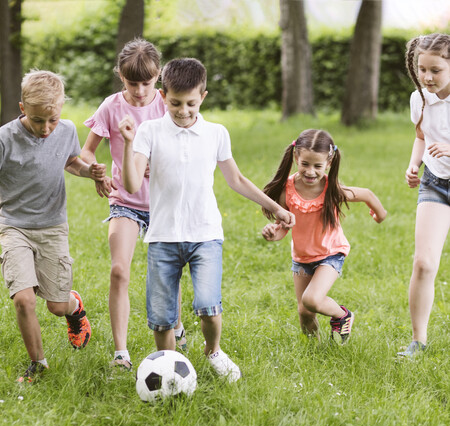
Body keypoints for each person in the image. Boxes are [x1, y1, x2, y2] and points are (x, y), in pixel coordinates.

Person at [118, 57, 295, 382]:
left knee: (208, 306)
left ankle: (213, 351)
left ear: (203, 96)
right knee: (161, 318)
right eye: (175, 103)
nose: (183, 111)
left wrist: (276, 207)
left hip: (205, 235)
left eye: (191, 103)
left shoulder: (216, 133)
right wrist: (129, 144)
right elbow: (131, 184)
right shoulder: (149, 130)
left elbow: (237, 179)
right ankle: (169, 368)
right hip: (162, 237)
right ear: (162, 95)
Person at [81, 38, 185, 371]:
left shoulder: (169, 105)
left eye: (148, 82)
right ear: (121, 77)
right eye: (132, 83)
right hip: (125, 201)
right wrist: (94, 170)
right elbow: (86, 152)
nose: (140, 90)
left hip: (163, 202)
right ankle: (121, 353)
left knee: (167, 274)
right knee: (118, 271)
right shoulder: (110, 107)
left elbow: (187, 146)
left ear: (158, 78)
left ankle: (177, 324)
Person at [0, 70, 106, 383]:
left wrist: (92, 173)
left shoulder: (67, 131)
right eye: (37, 121)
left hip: (52, 227)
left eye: (53, 120)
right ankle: (38, 365)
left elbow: (71, 161)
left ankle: (75, 309)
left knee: (56, 307)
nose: (46, 129)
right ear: (22, 108)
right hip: (13, 226)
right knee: (24, 298)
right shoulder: (5, 139)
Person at [261, 129, 387, 342]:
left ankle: (343, 315)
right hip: (301, 257)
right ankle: (313, 351)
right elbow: (284, 226)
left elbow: (366, 194)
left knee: (311, 299)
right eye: (305, 164)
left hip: (330, 253)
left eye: (317, 166)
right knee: (305, 311)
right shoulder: (287, 191)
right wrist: (274, 233)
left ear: (328, 163)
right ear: (295, 158)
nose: (310, 171)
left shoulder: (331, 189)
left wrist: (379, 215)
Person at [398, 33, 450, 357]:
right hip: (435, 181)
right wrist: (413, 163)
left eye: (435, 70)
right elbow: (421, 134)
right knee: (423, 263)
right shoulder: (419, 98)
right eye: (422, 69)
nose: (427, 77)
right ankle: (418, 341)